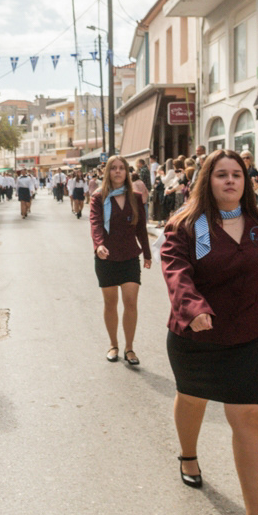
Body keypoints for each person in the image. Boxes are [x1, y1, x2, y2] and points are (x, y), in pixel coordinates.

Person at [160, 150, 258, 515]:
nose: (230, 181)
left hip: (251, 335)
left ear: (247, 181)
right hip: (198, 337)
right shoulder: (186, 225)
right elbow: (176, 271)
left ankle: (256, 514)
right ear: (206, 181)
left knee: (250, 417)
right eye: (221, 175)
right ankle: (188, 455)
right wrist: (193, 308)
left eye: (237, 175)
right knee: (192, 398)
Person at [90, 155, 152, 366]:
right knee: (110, 303)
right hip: (106, 256)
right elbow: (96, 223)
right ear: (107, 172)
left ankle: (129, 348)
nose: (117, 171)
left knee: (131, 301)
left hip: (129, 256)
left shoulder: (135, 196)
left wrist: (147, 254)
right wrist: (99, 244)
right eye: (113, 168)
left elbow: (141, 228)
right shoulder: (99, 197)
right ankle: (113, 345)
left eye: (121, 168)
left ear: (127, 172)